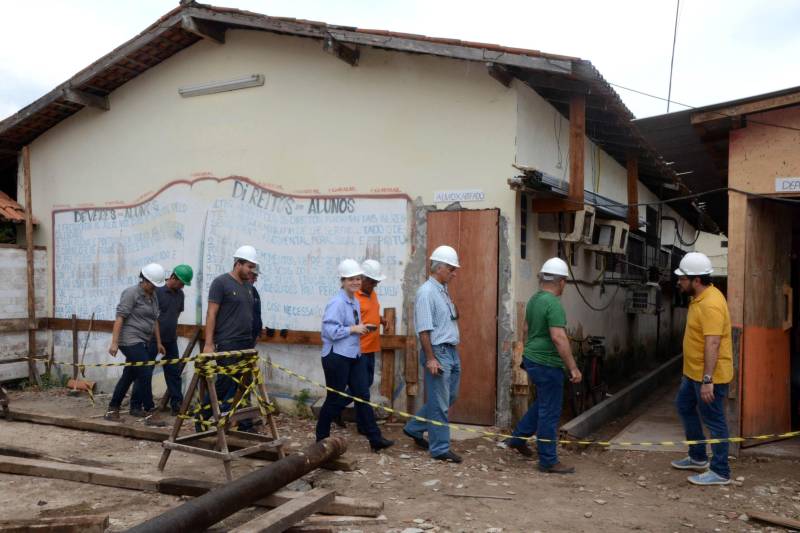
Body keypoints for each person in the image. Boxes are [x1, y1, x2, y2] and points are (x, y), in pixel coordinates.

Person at [505, 257, 582, 474]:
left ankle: (518, 439)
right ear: (561, 282)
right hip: (548, 363)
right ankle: (548, 460)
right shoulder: (554, 304)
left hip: (532, 359)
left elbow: (527, 329)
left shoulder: (534, 300)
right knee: (550, 410)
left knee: (543, 403)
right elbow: (558, 337)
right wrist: (573, 367)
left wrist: (528, 352)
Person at [315, 259, 394, 452]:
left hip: (354, 354)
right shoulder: (337, 302)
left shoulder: (354, 301)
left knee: (362, 395)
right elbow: (329, 331)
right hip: (337, 356)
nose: (355, 282)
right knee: (334, 398)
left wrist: (362, 328)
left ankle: (375, 439)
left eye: (357, 278)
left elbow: (354, 325)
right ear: (342, 281)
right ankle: (321, 438)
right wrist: (353, 329)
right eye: (351, 279)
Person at [671, 252, 733, 486]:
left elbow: (713, 342)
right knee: (684, 405)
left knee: (715, 421)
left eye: (682, 278)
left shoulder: (711, 304)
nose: (679, 282)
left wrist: (708, 379)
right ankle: (698, 456)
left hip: (708, 376)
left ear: (696, 280)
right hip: (693, 373)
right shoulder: (699, 298)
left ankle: (720, 471)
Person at [403, 245, 463, 463]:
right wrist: (430, 358)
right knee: (440, 404)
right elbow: (424, 330)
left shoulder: (442, 289)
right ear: (438, 267)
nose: (454, 273)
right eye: (451, 268)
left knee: (448, 397)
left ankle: (414, 427)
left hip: (451, 350)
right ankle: (439, 448)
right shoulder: (426, 292)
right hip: (438, 351)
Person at [202, 245, 258, 431]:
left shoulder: (249, 287)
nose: (251, 271)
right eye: (249, 267)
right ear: (238, 263)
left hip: (246, 343)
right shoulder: (221, 283)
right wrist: (209, 343)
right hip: (228, 342)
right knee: (225, 383)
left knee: (244, 384)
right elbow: (211, 314)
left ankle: (243, 423)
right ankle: (202, 414)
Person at [105, 263, 166, 423]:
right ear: (145, 280)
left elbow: (155, 320)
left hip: (143, 340)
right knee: (145, 371)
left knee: (129, 375)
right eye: (153, 285)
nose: (155, 288)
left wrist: (158, 342)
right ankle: (150, 411)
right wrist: (114, 342)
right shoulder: (131, 293)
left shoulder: (153, 296)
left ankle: (112, 410)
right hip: (129, 340)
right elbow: (120, 317)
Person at [338, 259, 388, 433]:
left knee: (365, 385)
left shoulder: (371, 294)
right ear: (363, 278)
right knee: (361, 387)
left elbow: (371, 311)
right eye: (372, 282)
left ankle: (343, 411)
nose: (375, 285)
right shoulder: (353, 297)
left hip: (371, 346)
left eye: (377, 282)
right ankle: (340, 408)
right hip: (359, 348)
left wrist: (380, 319)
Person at [137, 264, 192, 417]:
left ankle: (177, 404)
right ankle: (140, 404)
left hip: (170, 340)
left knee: (173, 372)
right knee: (145, 371)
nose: (182, 287)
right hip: (152, 339)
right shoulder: (158, 292)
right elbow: (151, 316)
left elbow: (176, 314)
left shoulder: (180, 295)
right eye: (181, 283)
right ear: (174, 277)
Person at [250, 268, 263, 347]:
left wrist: (259, 333)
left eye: (256, 276)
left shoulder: (254, 292)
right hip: (236, 341)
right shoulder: (234, 290)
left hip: (252, 339)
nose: (255, 279)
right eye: (254, 276)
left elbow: (258, 313)